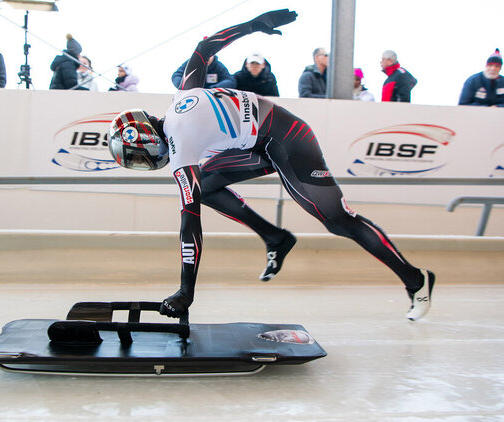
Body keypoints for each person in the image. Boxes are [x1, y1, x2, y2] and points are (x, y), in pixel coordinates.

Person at [108, 9, 435, 322]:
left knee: (337, 220)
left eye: (136, 158)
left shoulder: (180, 152)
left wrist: (185, 291)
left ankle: (416, 279)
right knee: (205, 185)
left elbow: (189, 226)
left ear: (145, 141)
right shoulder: (182, 94)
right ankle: (276, 238)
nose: (142, 164)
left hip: (289, 141)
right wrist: (254, 24)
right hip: (262, 141)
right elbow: (205, 46)